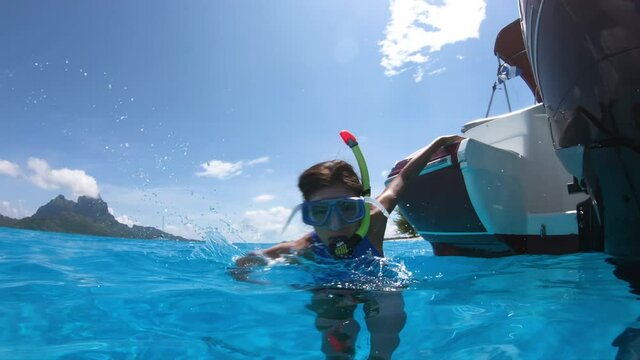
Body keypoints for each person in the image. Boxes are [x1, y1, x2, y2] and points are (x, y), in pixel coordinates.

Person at [234, 133, 464, 359]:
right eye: (321, 212)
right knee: (332, 331)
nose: (336, 225)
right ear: (309, 213)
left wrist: (438, 143)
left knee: (388, 298)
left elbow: (403, 179)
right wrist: (252, 280)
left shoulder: (374, 220)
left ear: (362, 208)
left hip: (378, 286)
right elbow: (243, 263)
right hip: (331, 293)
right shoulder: (303, 248)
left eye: (347, 209)